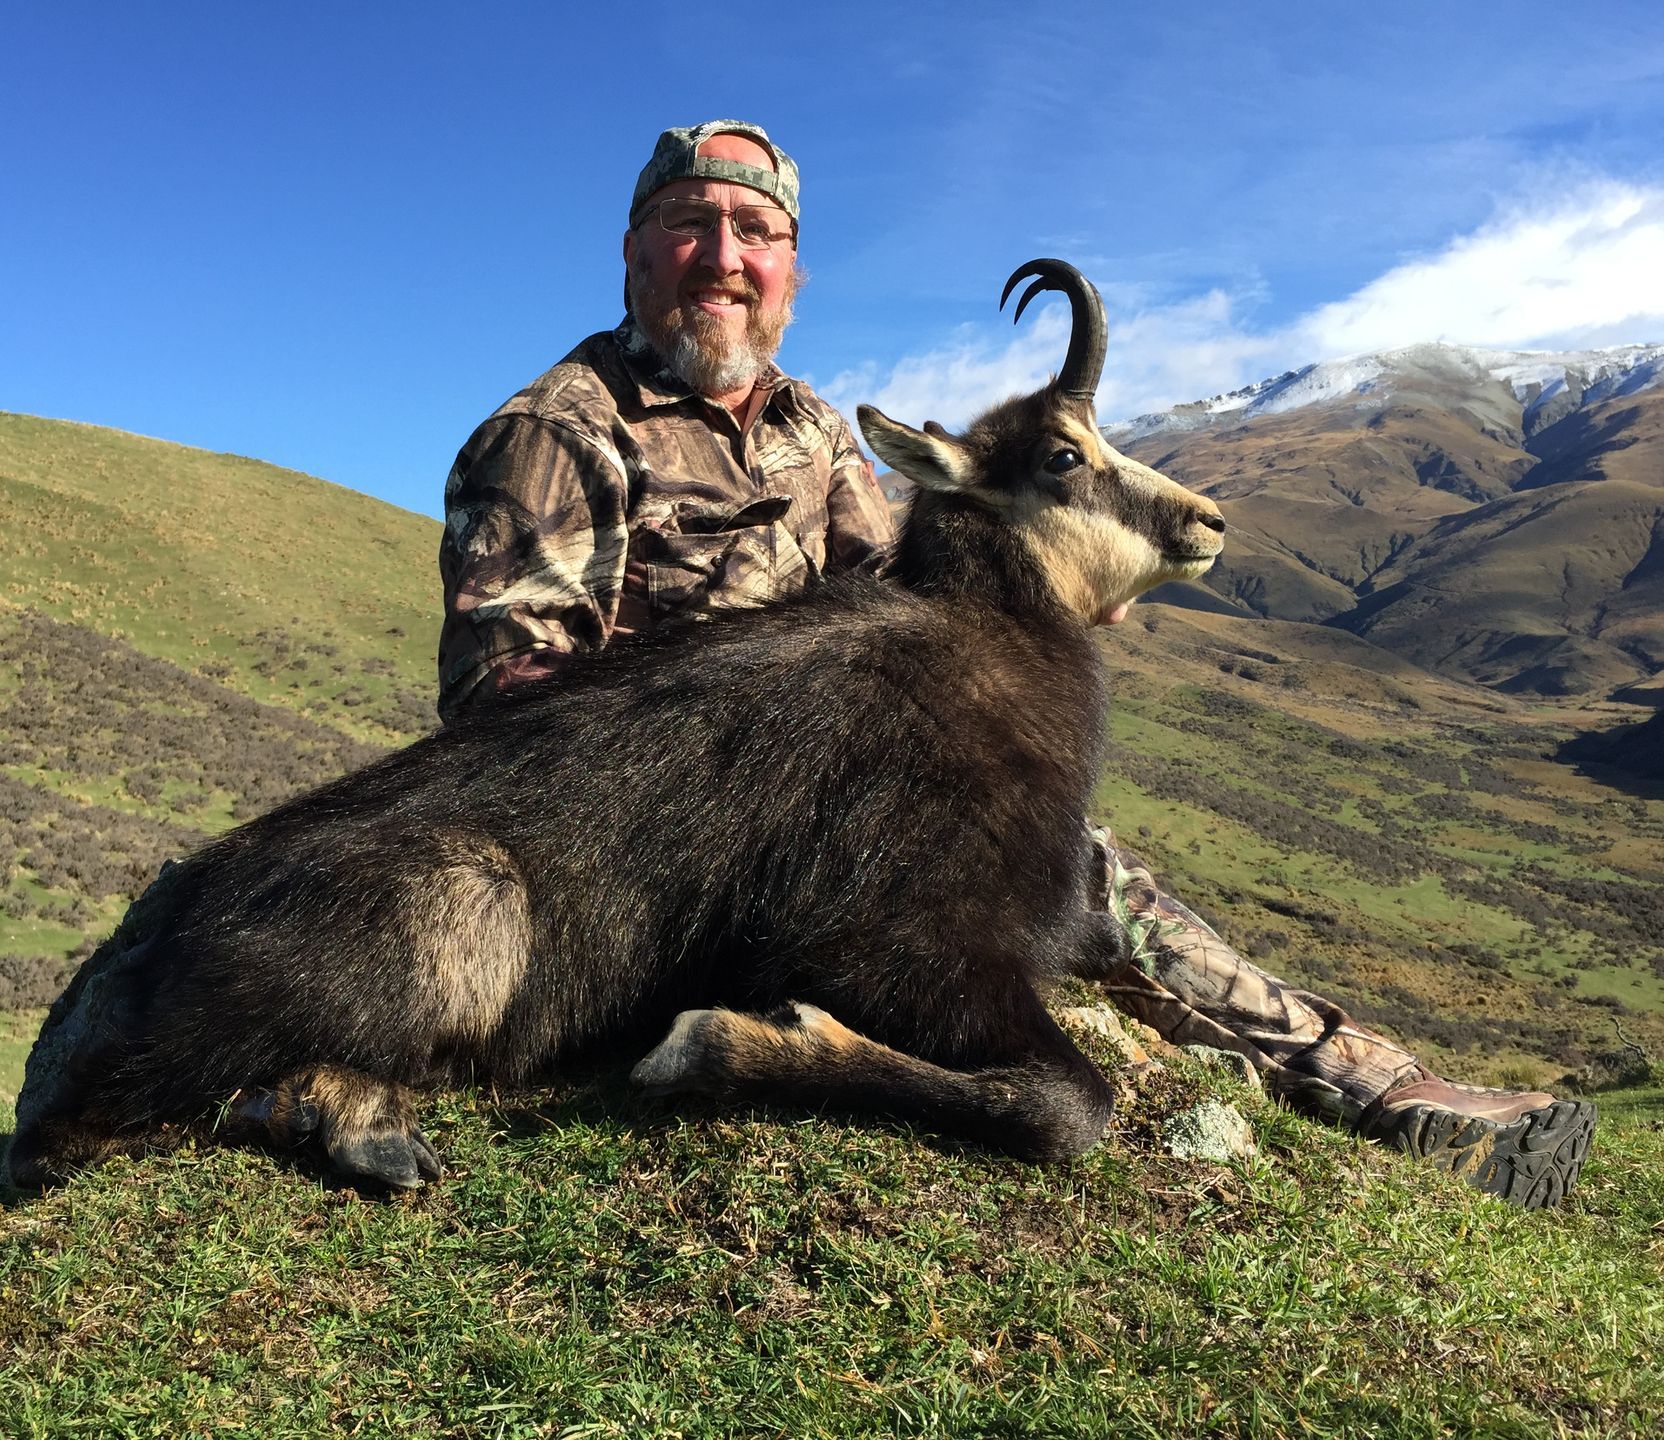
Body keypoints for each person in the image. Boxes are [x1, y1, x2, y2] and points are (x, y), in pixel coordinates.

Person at [437, 119, 1596, 1210]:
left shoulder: (817, 431)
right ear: (637, 247)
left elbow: (905, 613)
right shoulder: (557, 434)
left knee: (1072, 867)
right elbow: (504, 718)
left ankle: (1383, 1088)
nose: (724, 258)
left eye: (758, 234)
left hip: (848, 801)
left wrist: (1035, 597)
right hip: (675, 844)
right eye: (692, 224)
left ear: (791, 266)